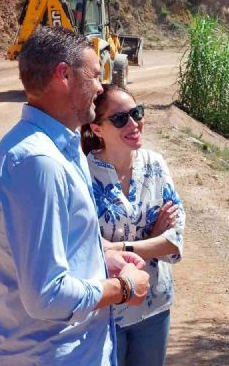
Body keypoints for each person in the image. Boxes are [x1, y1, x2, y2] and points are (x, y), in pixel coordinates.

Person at [0, 26, 150, 366]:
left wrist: (102, 257)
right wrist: (123, 289)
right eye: (94, 75)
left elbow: (59, 240)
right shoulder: (38, 164)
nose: (101, 86)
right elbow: (46, 295)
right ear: (64, 75)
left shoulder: (55, 149)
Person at [81, 84, 185, 366]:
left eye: (136, 113)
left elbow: (174, 241)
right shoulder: (82, 174)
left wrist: (116, 247)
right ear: (97, 128)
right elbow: (84, 248)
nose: (133, 123)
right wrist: (152, 237)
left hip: (154, 306)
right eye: (119, 119)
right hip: (105, 311)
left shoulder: (156, 165)